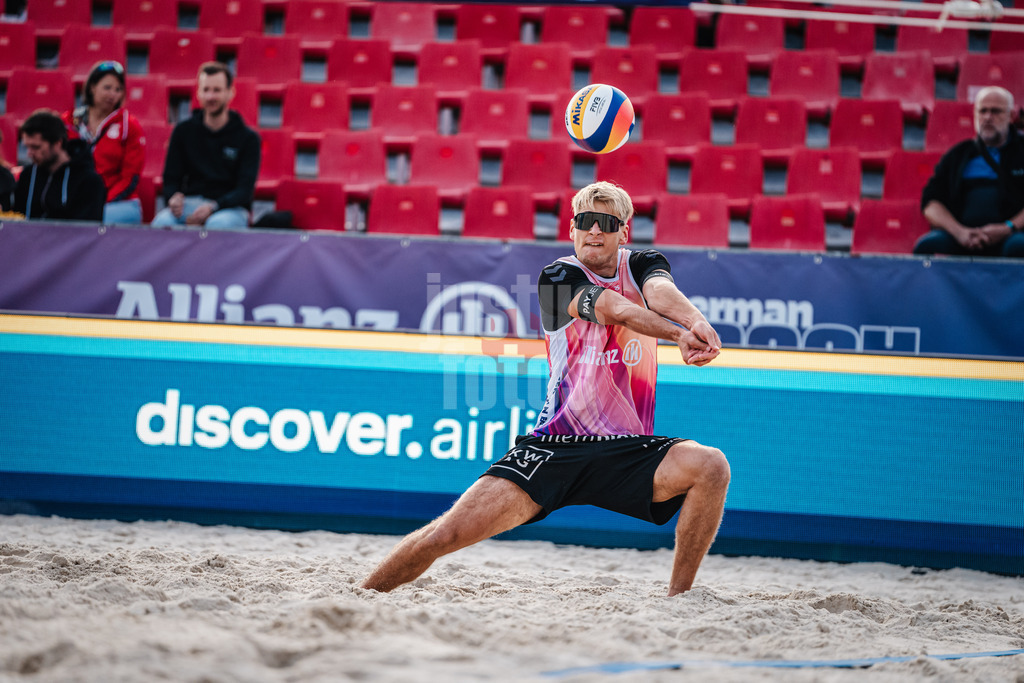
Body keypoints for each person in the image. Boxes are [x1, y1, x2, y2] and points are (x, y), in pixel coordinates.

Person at [362, 181, 730, 597]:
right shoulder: (558, 277)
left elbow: (659, 291)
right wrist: (677, 334)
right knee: (443, 537)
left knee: (711, 466)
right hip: (558, 445)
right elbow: (617, 310)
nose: (594, 230)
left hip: (627, 449)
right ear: (572, 229)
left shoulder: (644, 263)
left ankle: (678, 599)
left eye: (606, 222)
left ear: (623, 232)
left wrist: (695, 320)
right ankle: (362, 596)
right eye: (585, 221)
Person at [915, 86, 1024, 257]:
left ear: (1011, 116)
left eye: (996, 111)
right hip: (963, 237)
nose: (988, 117)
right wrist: (959, 232)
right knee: (927, 246)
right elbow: (930, 203)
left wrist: (1008, 228)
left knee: (1018, 247)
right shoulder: (958, 154)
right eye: (983, 111)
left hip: (1012, 234)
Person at [151, 62, 260, 229]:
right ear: (198, 93)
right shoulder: (183, 131)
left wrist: (213, 207)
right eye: (206, 90)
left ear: (230, 93)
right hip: (190, 205)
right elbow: (171, 179)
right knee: (162, 223)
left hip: (229, 209)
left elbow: (244, 191)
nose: (210, 96)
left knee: (217, 226)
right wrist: (174, 198)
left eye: (216, 90)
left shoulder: (248, 138)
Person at [61, 60, 146, 225]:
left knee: (89, 219)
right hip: (75, 198)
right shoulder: (69, 121)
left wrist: (99, 201)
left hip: (120, 203)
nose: (113, 94)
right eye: (107, 88)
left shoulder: (129, 125)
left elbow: (130, 177)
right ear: (92, 87)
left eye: (118, 89)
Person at [12, 109, 106, 221]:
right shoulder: (27, 176)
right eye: (27, 147)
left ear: (58, 143)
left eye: (36, 147)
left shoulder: (89, 181)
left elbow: (87, 231)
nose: (29, 153)